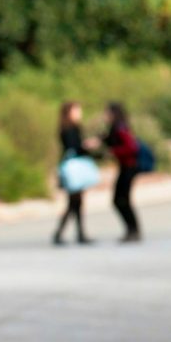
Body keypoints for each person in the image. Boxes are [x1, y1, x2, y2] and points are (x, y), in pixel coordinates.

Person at [53, 101, 97, 246]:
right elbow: (74, 147)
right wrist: (87, 146)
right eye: (76, 110)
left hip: (72, 167)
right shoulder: (70, 129)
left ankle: (76, 233)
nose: (79, 113)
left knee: (75, 203)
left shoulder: (67, 127)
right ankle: (64, 234)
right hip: (74, 169)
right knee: (74, 203)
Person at [104, 102, 142, 243]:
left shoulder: (121, 128)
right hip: (125, 166)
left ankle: (133, 230)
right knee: (120, 199)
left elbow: (131, 147)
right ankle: (131, 229)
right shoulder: (116, 128)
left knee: (121, 199)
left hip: (129, 166)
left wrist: (113, 152)